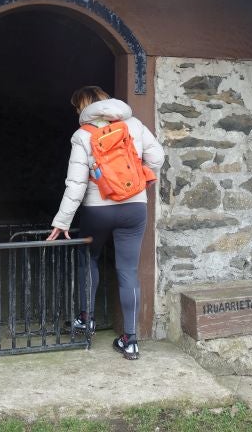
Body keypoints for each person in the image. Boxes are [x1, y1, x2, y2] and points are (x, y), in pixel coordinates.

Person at [47, 86, 165, 360]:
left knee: (88, 257)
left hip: (97, 210)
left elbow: (76, 184)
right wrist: (135, 181)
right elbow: (157, 158)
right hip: (134, 208)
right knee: (128, 271)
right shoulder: (133, 124)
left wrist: (62, 221)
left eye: (77, 107)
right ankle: (131, 340)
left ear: (84, 107)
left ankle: (86, 319)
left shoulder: (82, 135)